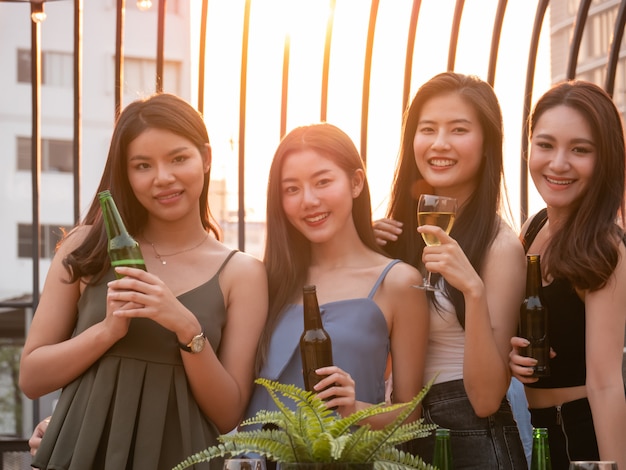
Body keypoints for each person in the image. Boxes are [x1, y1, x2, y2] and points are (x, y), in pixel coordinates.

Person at [19, 93, 268, 470]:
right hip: (83, 454)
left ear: (206, 157)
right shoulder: (86, 248)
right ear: (126, 173)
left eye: (178, 158)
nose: (162, 178)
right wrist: (107, 331)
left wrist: (186, 328)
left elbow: (228, 413)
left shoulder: (242, 273)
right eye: (142, 165)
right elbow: (32, 377)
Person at [374, 72, 528, 469]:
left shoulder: (500, 246)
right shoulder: (398, 234)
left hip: (470, 435)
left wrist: (472, 291)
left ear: (486, 143)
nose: (439, 143)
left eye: (458, 130)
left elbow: (487, 398)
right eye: (428, 129)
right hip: (397, 432)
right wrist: (363, 256)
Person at [243, 122, 430, 432]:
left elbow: (410, 415)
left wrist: (353, 409)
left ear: (356, 183)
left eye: (323, 182)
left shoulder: (398, 283)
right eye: (291, 189)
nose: (308, 200)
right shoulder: (267, 281)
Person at [509, 80, 626, 470]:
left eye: (580, 150)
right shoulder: (533, 227)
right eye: (545, 145)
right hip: (535, 431)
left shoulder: (605, 246)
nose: (558, 163)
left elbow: (606, 383)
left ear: (604, 157)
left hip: (585, 437)